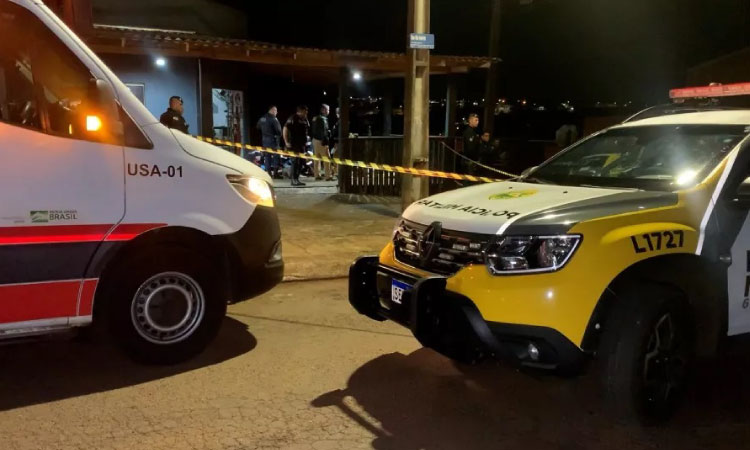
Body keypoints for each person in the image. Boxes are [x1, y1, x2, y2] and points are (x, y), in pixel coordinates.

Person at [283, 105, 310, 186]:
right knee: (295, 161)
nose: (306, 113)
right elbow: (285, 129)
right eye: (305, 112)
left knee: (301, 162)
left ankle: (297, 179)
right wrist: (286, 142)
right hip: (294, 144)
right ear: (300, 111)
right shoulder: (293, 118)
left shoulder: (305, 119)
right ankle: (293, 180)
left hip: (302, 144)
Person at [257, 106, 283, 179]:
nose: (276, 112)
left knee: (267, 156)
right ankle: (275, 173)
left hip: (265, 139)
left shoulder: (262, 118)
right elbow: (278, 131)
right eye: (276, 111)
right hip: (273, 139)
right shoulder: (274, 119)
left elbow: (258, 127)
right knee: (276, 156)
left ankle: (268, 173)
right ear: (272, 110)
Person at [311, 104, 333, 181]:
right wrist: (325, 140)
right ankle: (328, 176)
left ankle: (317, 175)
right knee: (327, 158)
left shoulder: (315, 118)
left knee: (317, 158)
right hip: (321, 141)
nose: (328, 111)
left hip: (315, 140)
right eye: (327, 109)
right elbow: (323, 131)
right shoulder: (323, 119)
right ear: (323, 110)